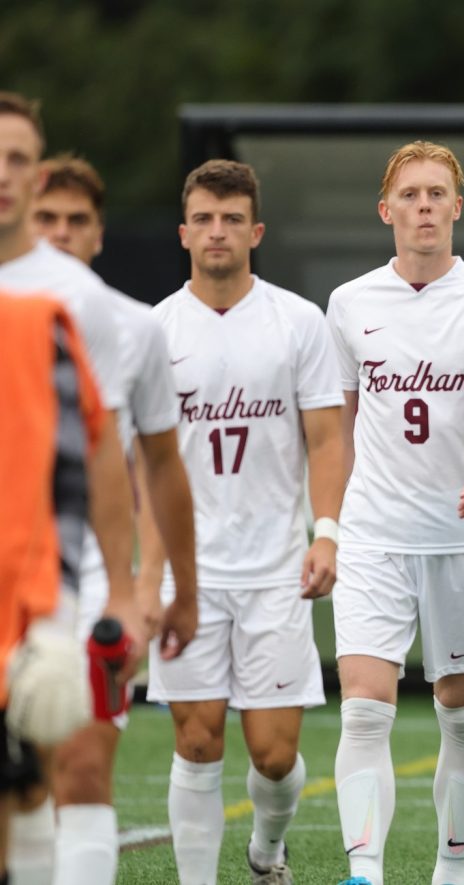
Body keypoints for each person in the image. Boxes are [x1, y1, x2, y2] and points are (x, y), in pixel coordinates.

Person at [326, 141, 464, 885]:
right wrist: (324, 524)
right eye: (409, 194)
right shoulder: (349, 303)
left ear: (456, 206)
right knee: (363, 708)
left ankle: (453, 869)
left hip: (462, 536)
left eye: (436, 193)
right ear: (387, 211)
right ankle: (366, 871)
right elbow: (336, 429)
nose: (423, 205)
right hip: (374, 535)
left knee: (462, 710)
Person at [142, 159, 345, 885]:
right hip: (188, 573)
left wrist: (326, 531)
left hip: (275, 571)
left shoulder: (298, 321)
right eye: (204, 218)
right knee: (196, 742)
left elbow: (327, 438)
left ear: (255, 230)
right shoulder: (153, 330)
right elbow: (140, 466)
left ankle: (267, 848)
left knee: (274, 755)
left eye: (232, 218)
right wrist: (149, 572)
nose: (217, 230)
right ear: (183, 232)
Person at [31, 154, 199, 885]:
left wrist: (162, 588)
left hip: (96, 578)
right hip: (13, 574)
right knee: (24, 787)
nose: (62, 233)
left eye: (77, 221)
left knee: (84, 763)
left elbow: (161, 468)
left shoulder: (134, 328)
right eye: (48, 219)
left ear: (100, 235)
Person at [0, 91, 144, 885]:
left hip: (43, 588)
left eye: (17, 157)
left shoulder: (68, 305)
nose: (3, 174)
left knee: (54, 773)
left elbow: (106, 454)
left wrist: (124, 589)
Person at [0, 291, 133, 885]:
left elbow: (84, 473)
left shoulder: (37, 320)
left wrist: (64, 608)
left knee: (36, 780)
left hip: (23, 596)